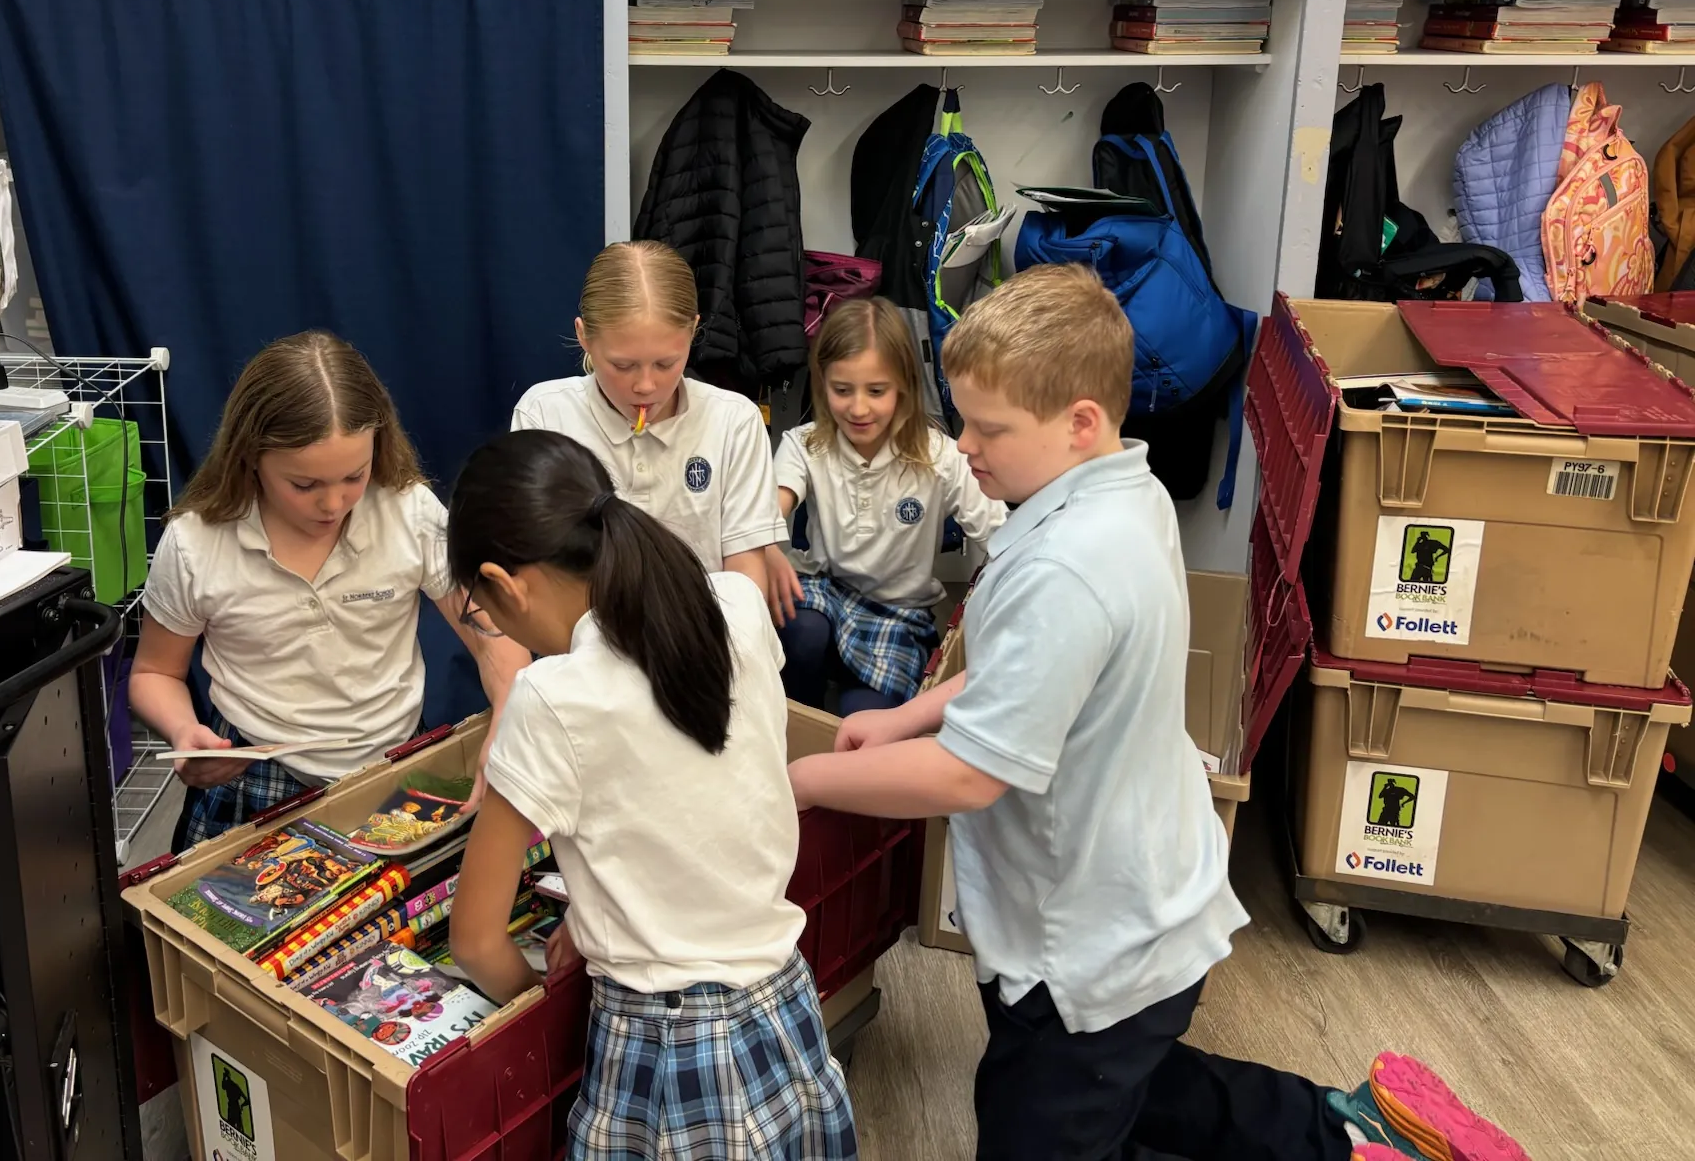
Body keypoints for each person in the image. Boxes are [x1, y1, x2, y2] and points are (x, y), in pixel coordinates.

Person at [786, 267, 1528, 1161]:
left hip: (1095, 937)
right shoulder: (1121, 488)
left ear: (1080, 422)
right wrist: (909, 717)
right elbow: (1029, 672)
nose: (966, 445)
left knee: (1052, 1121)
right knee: (1129, 1090)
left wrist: (801, 777)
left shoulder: (1069, 565)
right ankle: (1350, 1129)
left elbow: (969, 774)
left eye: (989, 428)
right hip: (1125, 902)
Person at [443, 429, 856, 1161]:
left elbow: (475, 939)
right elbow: (704, 798)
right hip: (785, 1005)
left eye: (483, 612)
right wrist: (608, 919)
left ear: (504, 584)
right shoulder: (734, 602)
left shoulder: (550, 696)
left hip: (663, 1051)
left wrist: (541, 1004)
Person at [131, 331, 524, 849]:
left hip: (395, 762)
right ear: (250, 457)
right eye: (304, 484)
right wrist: (184, 731)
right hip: (259, 773)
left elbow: (493, 633)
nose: (333, 504)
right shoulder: (195, 543)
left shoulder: (409, 510)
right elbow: (154, 672)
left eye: (354, 476)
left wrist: (508, 715)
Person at [513, 240, 798, 622]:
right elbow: (535, 574)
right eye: (623, 365)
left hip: (702, 646)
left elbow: (745, 583)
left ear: (694, 330)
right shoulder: (544, 414)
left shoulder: (734, 421)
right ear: (584, 337)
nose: (645, 386)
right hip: (582, 645)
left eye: (666, 363)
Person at [774, 297, 1004, 715]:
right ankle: (796, 720)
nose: (858, 408)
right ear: (823, 384)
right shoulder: (805, 444)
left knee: (864, 721)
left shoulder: (940, 455)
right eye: (842, 390)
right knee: (800, 628)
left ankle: (847, 696)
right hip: (825, 594)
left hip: (899, 616)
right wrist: (766, 546)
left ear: (904, 386)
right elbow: (771, 508)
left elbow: (999, 536)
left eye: (876, 391)